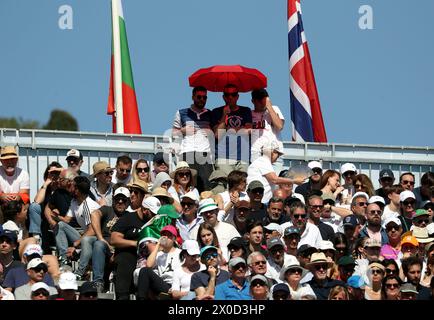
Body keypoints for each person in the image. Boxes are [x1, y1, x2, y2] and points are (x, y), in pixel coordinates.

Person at [55, 176, 100, 279]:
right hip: (84, 236)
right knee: (60, 225)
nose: (70, 187)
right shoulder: (74, 201)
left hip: (95, 239)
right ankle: (64, 259)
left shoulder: (88, 206)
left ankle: (80, 272)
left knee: (85, 240)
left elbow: (93, 231)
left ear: (78, 190)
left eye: (72, 186)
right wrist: (55, 216)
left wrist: (77, 243)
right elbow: (66, 220)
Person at [172, 86, 214, 193]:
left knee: (206, 186)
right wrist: (182, 130)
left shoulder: (210, 114)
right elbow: (173, 133)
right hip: (187, 152)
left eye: (204, 98)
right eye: (199, 97)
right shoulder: (181, 112)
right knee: (188, 184)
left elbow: (217, 133)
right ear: (193, 97)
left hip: (204, 153)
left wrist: (210, 132)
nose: (201, 100)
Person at [88, 186, 130, 292]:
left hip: (119, 251)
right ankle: (98, 282)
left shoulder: (130, 217)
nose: (120, 202)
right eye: (117, 199)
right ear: (113, 200)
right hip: (104, 248)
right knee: (98, 244)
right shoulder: (107, 210)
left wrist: (116, 253)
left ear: (128, 202)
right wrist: (101, 238)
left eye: (123, 200)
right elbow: (94, 214)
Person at [110, 193, 148, 300]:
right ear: (145, 209)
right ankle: (122, 296)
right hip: (128, 252)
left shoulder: (155, 220)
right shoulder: (129, 218)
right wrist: (134, 243)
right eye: (151, 212)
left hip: (148, 254)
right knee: (125, 258)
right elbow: (114, 239)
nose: (152, 215)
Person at [212, 84, 252, 175]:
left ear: (237, 96)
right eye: (227, 95)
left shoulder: (245, 110)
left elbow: (249, 131)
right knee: (226, 186)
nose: (230, 97)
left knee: (242, 187)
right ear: (223, 97)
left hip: (242, 156)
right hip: (223, 157)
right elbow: (218, 134)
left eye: (233, 94)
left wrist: (228, 129)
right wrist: (224, 115)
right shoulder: (216, 112)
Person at [136, 225, 182, 300]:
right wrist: (158, 245)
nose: (166, 238)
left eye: (169, 236)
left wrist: (176, 288)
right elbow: (148, 265)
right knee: (144, 271)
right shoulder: (158, 254)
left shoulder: (180, 253)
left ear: (174, 238)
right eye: (164, 235)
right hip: (162, 284)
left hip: (175, 286)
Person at [28, 161, 63, 241]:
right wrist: (46, 183)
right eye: (51, 173)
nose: (54, 175)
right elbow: (37, 201)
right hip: (45, 216)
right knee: (33, 206)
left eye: (56, 173)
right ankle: (36, 237)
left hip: (59, 216)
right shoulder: (46, 187)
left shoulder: (64, 186)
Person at [250, 88, 285, 164]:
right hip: (256, 155)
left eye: (264, 99)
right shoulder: (249, 114)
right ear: (253, 101)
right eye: (259, 100)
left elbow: (279, 126)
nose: (262, 102)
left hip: (273, 154)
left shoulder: (274, 109)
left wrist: (269, 107)